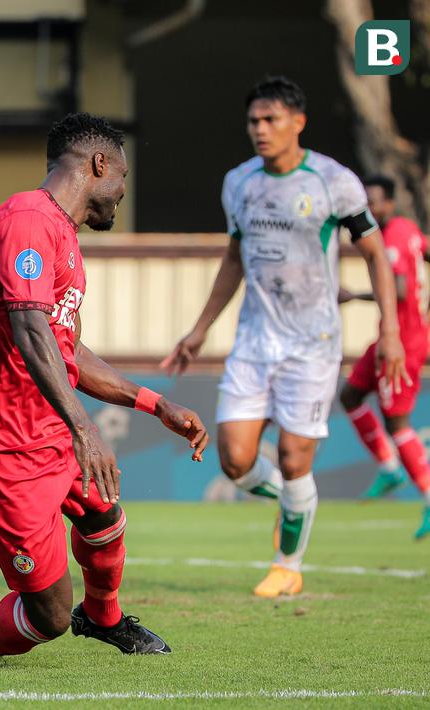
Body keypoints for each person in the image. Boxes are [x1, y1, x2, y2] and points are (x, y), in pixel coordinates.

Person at [0, 112, 210, 661]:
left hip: (45, 425)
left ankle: (103, 618)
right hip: (0, 443)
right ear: (98, 164)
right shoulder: (27, 220)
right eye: (123, 177)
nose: (123, 191)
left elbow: (66, 351)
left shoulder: (62, 234)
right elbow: (30, 326)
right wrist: (84, 428)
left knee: (103, 515)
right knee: (48, 615)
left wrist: (155, 405)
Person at [162, 77, 406, 597]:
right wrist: (200, 329)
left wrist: (389, 329)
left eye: (270, 119)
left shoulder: (332, 181)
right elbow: (234, 259)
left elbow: (375, 254)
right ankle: (293, 504)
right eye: (253, 120)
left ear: (299, 121)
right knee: (234, 459)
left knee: (295, 458)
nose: (260, 129)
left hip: (312, 343)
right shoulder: (239, 183)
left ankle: (287, 566)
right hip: (254, 341)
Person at [338, 174, 430, 539]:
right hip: (390, 338)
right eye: (366, 202)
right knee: (350, 395)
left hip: (402, 343)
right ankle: (389, 468)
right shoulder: (408, 228)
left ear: (389, 203)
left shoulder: (390, 239)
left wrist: (354, 296)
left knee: (398, 423)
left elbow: (402, 288)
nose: (370, 209)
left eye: (375, 202)